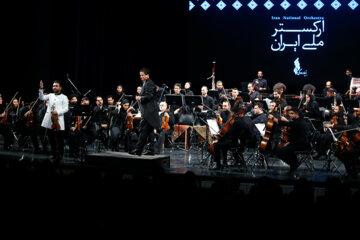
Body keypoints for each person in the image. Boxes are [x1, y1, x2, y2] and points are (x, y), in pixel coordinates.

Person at [210, 106, 257, 170]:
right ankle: (225, 163)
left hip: (237, 143)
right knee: (223, 144)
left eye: (231, 113)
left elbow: (228, 133)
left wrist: (218, 140)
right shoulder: (246, 119)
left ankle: (218, 165)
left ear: (234, 113)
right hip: (245, 142)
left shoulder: (237, 121)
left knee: (217, 144)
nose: (231, 114)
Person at [130, 68, 161, 156]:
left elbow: (149, 96)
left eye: (143, 75)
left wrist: (140, 98)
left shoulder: (149, 83)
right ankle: (151, 150)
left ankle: (138, 150)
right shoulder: (147, 83)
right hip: (149, 112)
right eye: (140, 75)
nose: (141, 77)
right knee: (149, 132)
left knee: (143, 131)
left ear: (147, 75)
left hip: (149, 113)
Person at [269, 108, 310, 174]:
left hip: (301, 145)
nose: (290, 115)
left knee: (278, 152)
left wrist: (273, 118)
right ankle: (294, 163)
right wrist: (289, 142)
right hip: (298, 143)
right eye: (289, 113)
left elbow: (283, 123)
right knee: (286, 150)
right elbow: (296, 135)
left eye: (292, 113)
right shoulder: (299, 121)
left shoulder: (298, 122)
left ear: (297, 114)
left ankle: (293, 164)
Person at [39, 80, 69, 164]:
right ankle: (54, 154)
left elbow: (66, 108)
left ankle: (60, 155)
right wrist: (41, 89)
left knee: (59, 139)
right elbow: (41, 98)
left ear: (60, 87)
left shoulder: (64, 97)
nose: (54, 87)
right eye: (53, 86)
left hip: (58, 120)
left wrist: (58, 112)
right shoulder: (50, 95)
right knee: (51, 138)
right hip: (49, 120)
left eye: (56, 86)